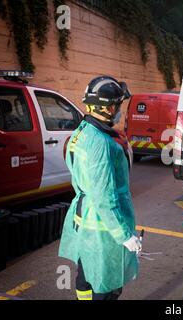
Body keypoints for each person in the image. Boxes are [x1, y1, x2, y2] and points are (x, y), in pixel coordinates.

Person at [59, 76, 141, 300]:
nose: (119, 111)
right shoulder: (100, 143)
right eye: (118, 105)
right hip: (102, 227)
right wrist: (125, 236)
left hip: (85, 217)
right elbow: (104, 196)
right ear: (108, 107)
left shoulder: (82, 131)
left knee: (86, 272)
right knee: (107, 282)